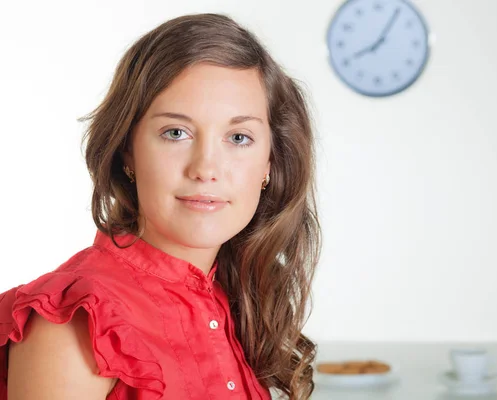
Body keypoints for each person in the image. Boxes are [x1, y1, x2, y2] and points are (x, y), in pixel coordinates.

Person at [0, 12, 321, 400]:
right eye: (175, 133)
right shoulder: (74, 322)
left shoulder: (232, 302)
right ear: (127, 153)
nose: (205, 168)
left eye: (238, 137)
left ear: (270, 162)